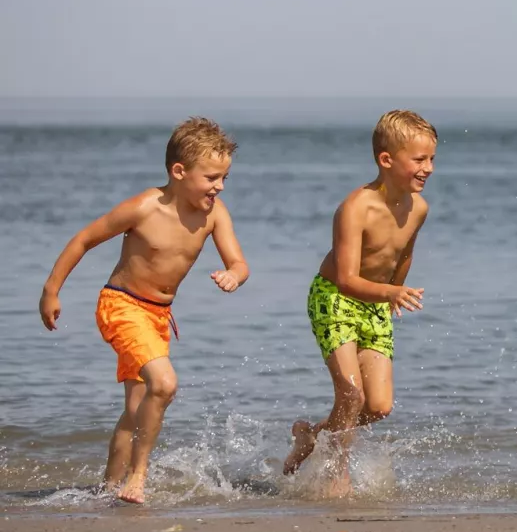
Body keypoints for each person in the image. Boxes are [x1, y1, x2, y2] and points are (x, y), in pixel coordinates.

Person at [37, 117, 249, 504]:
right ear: (179, 171)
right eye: (211, 178)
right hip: (120, 305)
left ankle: (108, 488)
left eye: (224, 179)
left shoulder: (214, 215)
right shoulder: (144, 207)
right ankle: (138, 476)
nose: (218, 187)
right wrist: (51, 290)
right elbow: (84, 239)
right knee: (164, 384)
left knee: (135, 411)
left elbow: (239, 262)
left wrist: (235, 275)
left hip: (157, 316)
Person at [281, 109, 436, 495]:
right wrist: (391, 292)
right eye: (419, 159)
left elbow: (403, 253)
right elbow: (348, 279)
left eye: (432, 158)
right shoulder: (356, 208)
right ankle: (338, 474)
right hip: (335, 299)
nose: (429, 168)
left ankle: (311, 437)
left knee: (379, 406)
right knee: (351, 395)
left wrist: (393, 292)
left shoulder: (419, 208)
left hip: (377, 304)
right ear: (387, 160)